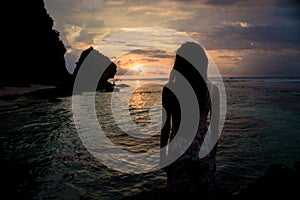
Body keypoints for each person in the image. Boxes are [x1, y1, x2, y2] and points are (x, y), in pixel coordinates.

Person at [160, 42, 220, 199]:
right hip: (204, 145)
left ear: (179, 63)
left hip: (179, 146)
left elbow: (165, 127)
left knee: (179, 192)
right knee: (203, 191)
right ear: (202, 63)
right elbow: (214, 127)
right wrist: (213, 155)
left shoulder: (169, 89)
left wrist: (162, 157)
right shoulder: (213, 90)